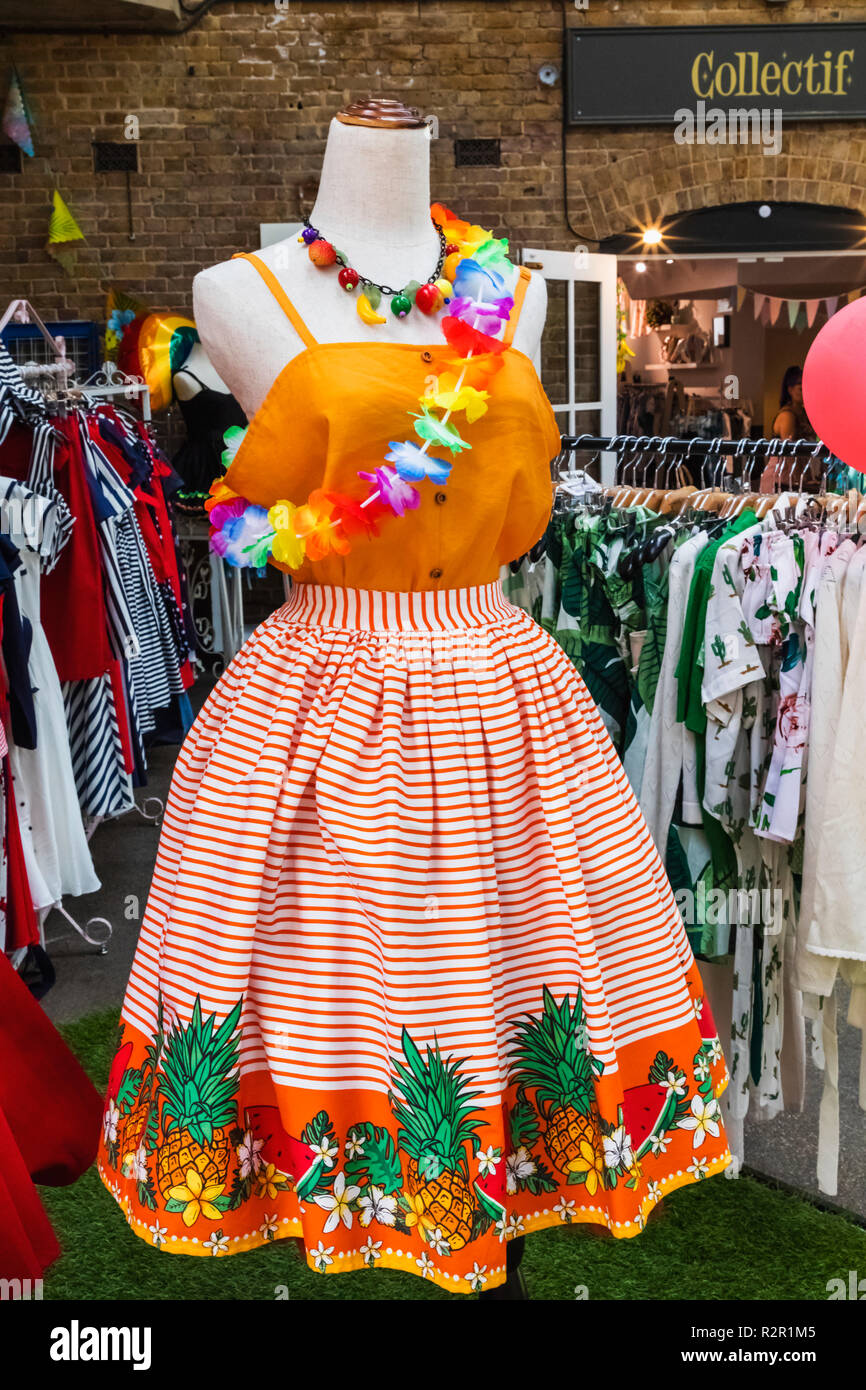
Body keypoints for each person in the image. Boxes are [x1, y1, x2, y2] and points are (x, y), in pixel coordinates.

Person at [760, 365, 819, 492]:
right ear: (790, 390)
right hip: (783, 476)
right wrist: (799, 480)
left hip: (795, 474)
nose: (804, 390)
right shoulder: (788, 415)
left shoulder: (804, 414)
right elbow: (790, 453)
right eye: (800, 388)